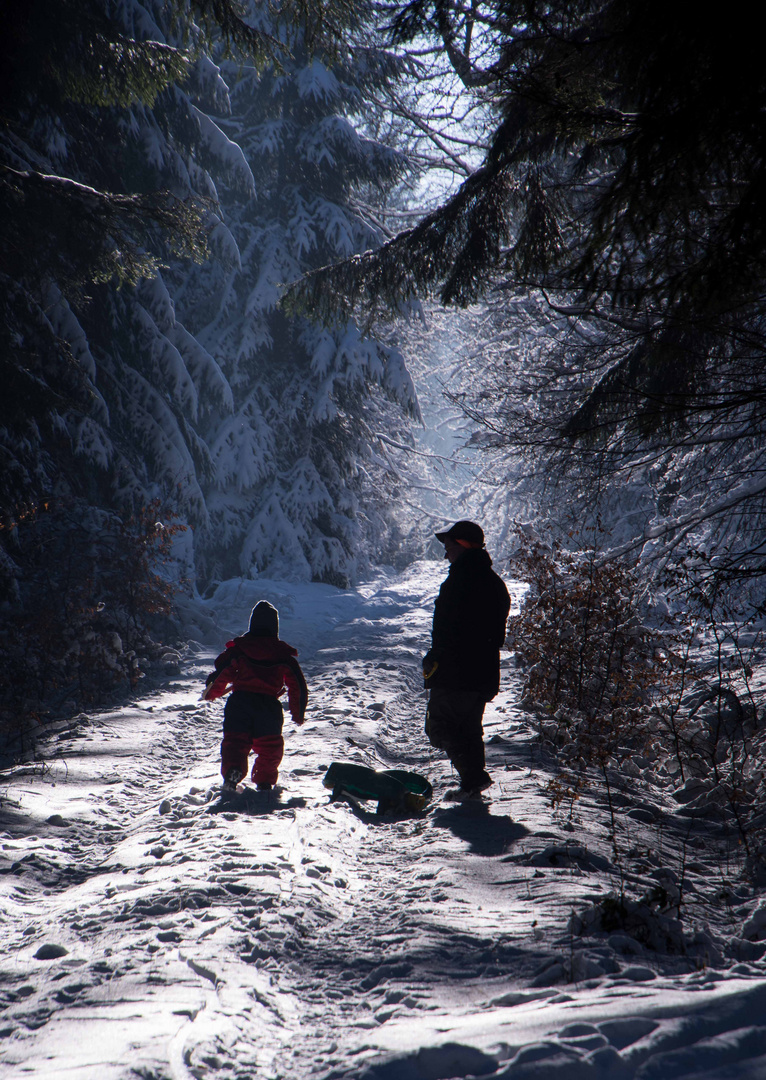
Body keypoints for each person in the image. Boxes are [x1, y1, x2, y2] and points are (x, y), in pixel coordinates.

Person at [423, 520, 510, 797]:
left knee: (440, 727)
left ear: (462, 545)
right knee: (469, 728)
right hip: (482, 672)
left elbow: (452, 630)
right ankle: (473, 785)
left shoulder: (462, 579)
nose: (445, 552)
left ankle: (474, 777)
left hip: (457, 672)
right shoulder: (492, 582)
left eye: (448, 545)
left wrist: (437, 658)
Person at [203, 601, 308, 791]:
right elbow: (297, 685)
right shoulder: (282, 655)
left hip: (240, 703)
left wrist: (212, 692)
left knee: (235, 741)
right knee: (270, 746)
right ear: (275, 627)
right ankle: (264, 780)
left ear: (252, 625)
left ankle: (233, 771)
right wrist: (297, 713)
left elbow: (222, 671)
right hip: (268, 708)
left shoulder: (240, 650)